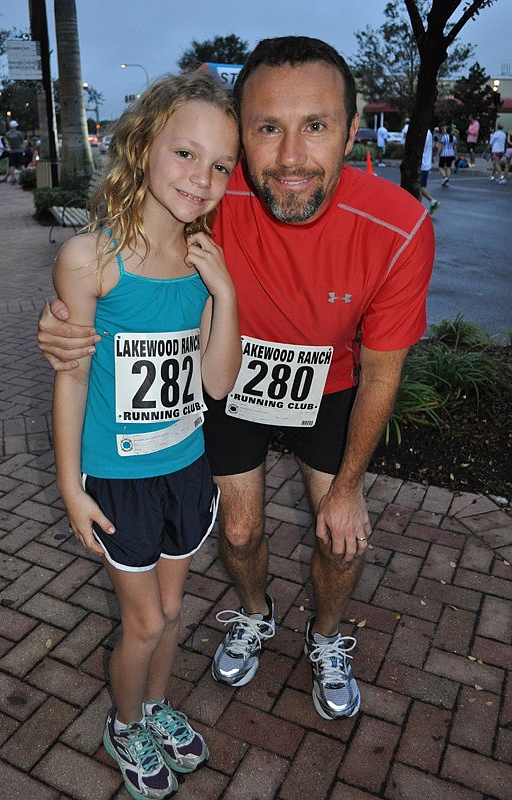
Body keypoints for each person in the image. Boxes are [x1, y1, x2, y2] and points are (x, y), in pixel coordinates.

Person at [38, 36, 435, 724]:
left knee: (341, 532)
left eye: (315, 126)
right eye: (266, 130)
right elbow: (139, 243)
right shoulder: (216, 197)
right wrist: (65, 326)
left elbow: (381, 371)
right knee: (241, 530)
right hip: (226, 376)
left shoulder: (396, 224)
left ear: (349, 130)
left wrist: (346, 491)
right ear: (245, 139)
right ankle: (254, 613)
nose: (289, 158)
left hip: (331, 383)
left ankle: (326, 635)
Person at [51, 72, 241, 800]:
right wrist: (71, 484)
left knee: (174, 611)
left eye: (221, 165)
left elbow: (216, 383)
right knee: (145, 621)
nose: (203, 177)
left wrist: (225, 294)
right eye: (185, 154)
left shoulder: (204, 262)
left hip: (186, 468)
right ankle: (124, 721)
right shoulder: (90, 259)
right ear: (142, 147)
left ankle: (156, 708)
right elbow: (70, 377)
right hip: (117, 475)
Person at [420, 129, 440, 214]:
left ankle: (432, 201)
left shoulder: (422, 132)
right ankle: (419, 208)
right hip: (426, 163)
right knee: (420, 187)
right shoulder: (429, 132)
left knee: (420, 187)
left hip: (422, 164)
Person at [3, 120, 25, 184]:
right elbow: (22, 141)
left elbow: (5, 140)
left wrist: (8, 145)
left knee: (12, 165)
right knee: (21, 164)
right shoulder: (19, 133)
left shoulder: (8, 134)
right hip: (19, 150)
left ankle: (13, 178)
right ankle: (25, 177)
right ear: (16, 126)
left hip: (12, 151)